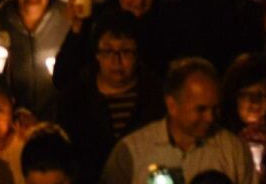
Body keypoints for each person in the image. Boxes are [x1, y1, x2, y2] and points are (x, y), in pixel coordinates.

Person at [99, 57, 255, 184]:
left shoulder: (233, 151)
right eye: (201, 109)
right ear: (172, 105)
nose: (210, 117)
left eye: (215, 109)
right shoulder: (132, 152)